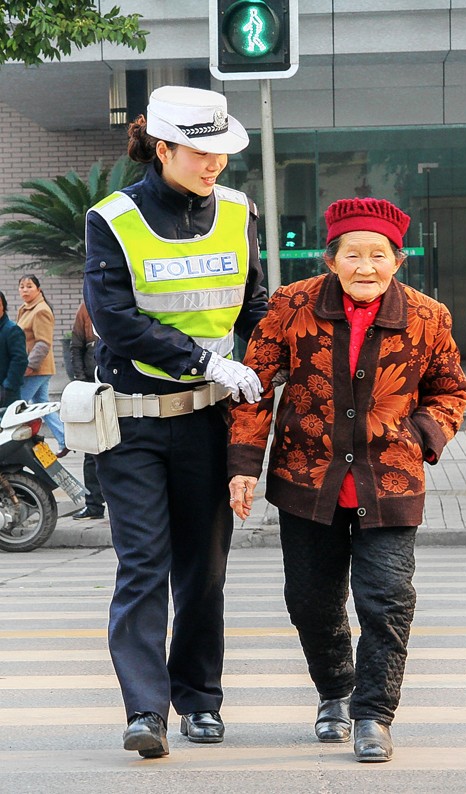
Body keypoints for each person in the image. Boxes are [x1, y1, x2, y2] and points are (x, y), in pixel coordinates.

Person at [228, 197, 466, 763]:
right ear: (331, 257)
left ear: (398, 259)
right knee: (310, 602)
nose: (366, 266)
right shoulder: (292, 305)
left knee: (387, 600)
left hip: (389, 483)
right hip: (306, 480)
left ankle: (373, 714)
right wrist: (243, 467)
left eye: (378, 255)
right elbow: (255, 386)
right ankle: (334, 694)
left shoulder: (429, 316)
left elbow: (451, 388)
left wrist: (422, 436)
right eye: (353, 254)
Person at [83, 85, 267, 758]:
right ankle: (145, 711)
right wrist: (205, 361)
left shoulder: (239, 210)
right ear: (162, 148)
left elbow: (254, 304)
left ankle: (200, 701)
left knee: (204, 569)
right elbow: (116, 321)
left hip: (208, 423)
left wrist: (283, 351)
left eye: (221, 150)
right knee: (143, 565)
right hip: (132, 422)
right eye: (199, 151)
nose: (214, 163)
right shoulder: (113, 219)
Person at [16, 275, 67, 456]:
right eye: (22, 286)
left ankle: (27, 448)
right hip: (35, 369)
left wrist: (28, 367)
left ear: (38, 289)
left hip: (36, 369)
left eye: (29, 286)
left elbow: (43, 343)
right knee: (41, 405)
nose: (25, 290)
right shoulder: (25, 309)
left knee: (17, 407)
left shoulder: (41, 310)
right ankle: (65, 439)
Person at [70, 300, 106, 521]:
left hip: (120, 389)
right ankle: (94, 504)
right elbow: (76, 347)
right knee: (90, 450)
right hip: (90, 389)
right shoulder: (85, 309)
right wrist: (80, 380)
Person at [0, 290, 28, 409]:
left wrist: (8, 386)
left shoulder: (12, 330)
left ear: (3, 307)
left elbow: (20, 360)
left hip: (5, 392)